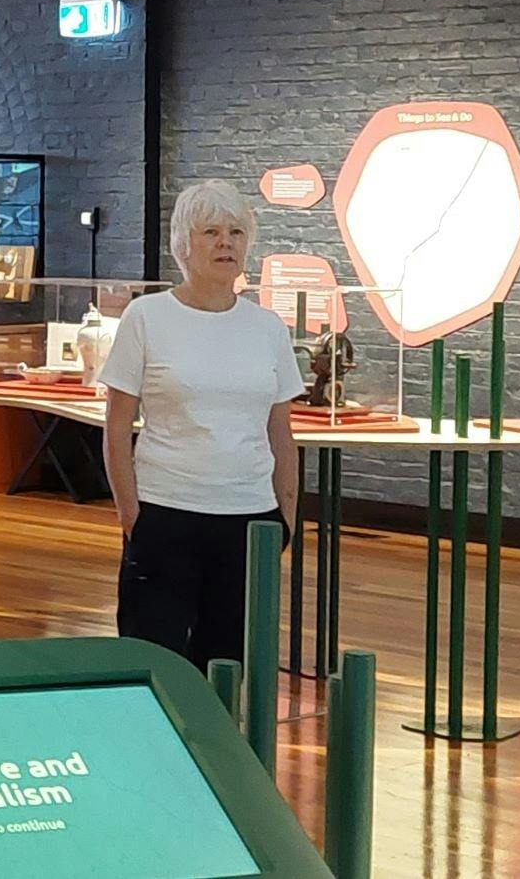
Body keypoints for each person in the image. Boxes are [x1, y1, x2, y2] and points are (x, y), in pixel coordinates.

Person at [98, 180, 303, 672]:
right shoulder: (147, 317)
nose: (225, 243)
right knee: (154, 660)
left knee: (230, 661)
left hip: (249, 517)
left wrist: (287, 519)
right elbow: (117, 425)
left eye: (235, 232)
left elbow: (281, 433)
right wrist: (131, 515)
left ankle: (220, 747)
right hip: (166, 512)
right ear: (183, 245)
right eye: (210, 231)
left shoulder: (267, 327)